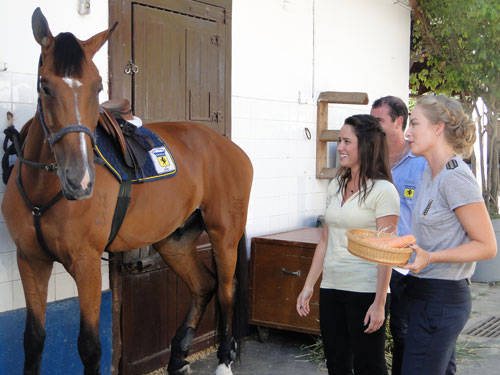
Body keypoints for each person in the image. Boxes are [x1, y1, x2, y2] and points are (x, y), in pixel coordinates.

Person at [296, 114, 399, 375]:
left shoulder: (383, 191)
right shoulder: (336, 184)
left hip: (365, 290)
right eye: (339, 141)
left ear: (365, 145)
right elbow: (324, 241)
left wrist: (379, 303)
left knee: (369, 366)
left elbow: (387, 251)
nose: (339, 147)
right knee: (336, 363)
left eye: (346, 141)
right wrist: (309, 286)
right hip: (332, 287)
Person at [402, 94, 497, 375]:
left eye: (414, 124)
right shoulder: (429, 173)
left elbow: (487, 246)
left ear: (438, 128)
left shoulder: (455, 177)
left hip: (441, 299)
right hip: (423, 295)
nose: (407, 133)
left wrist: (431, 257)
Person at [370, 96, 427, 375]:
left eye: (379, 120)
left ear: (398, 122)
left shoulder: (421, 163)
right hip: (373, 260)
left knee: (403, 332)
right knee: (370, 327)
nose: (373, 126)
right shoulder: (370, 160)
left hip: (406, 265)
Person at [2, 111, 20, 184]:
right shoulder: (9, 131)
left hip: (14, 158)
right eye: (8, 118)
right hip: (9, 160)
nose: (9, 120)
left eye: (10, 118)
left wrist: (8, 129)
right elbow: (5, 147)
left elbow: (18, 138)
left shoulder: (14, 132)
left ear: (13, 119)